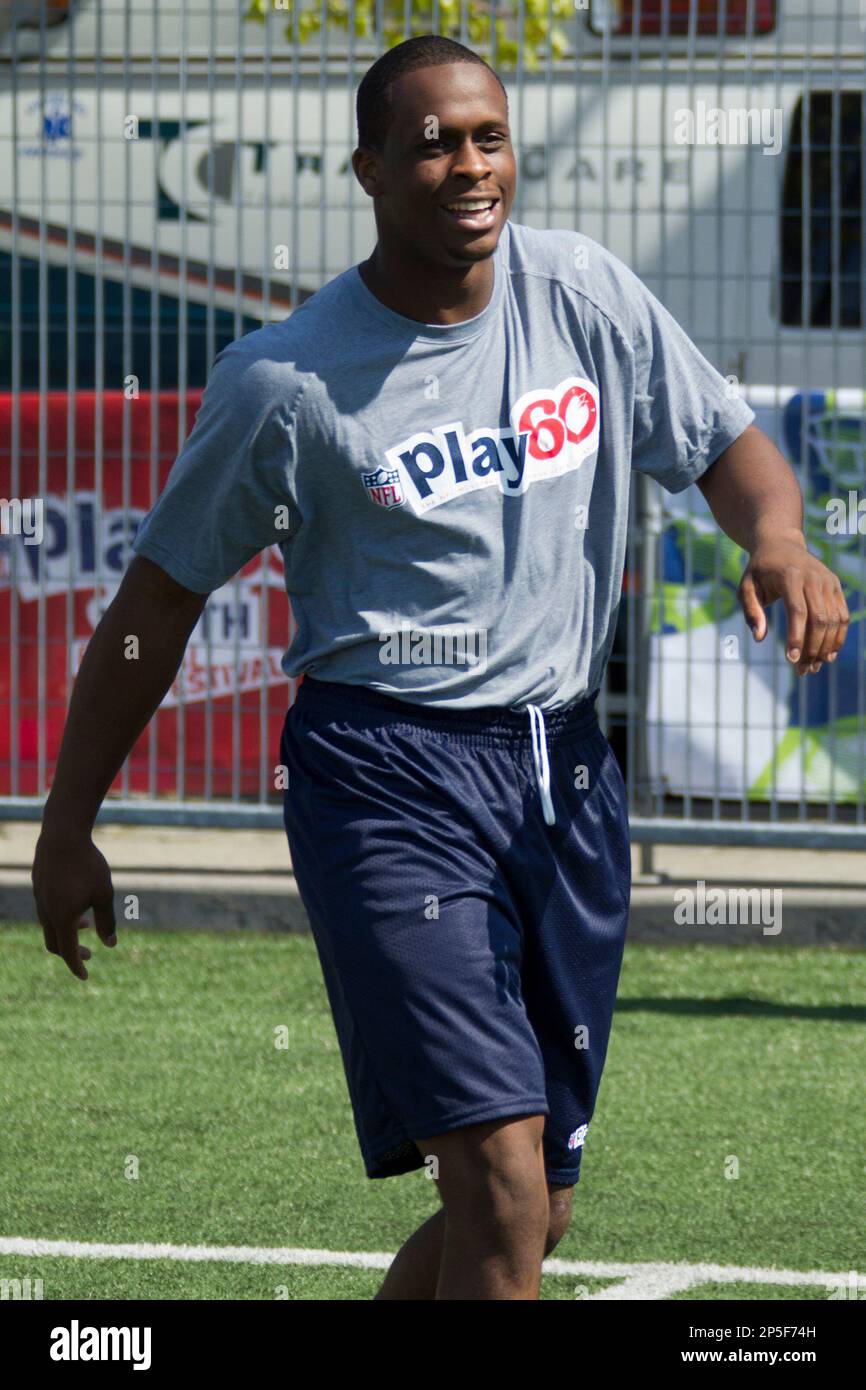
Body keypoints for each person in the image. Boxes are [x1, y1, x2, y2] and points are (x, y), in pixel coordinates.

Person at [31, 34, 849, 1301]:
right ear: (364, 168)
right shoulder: (283, 384)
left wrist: (780, 539)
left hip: (565, 774)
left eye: (487, 136)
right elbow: (153, 609)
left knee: (537, 1212)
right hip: (386, 778)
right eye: (430, 143)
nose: (468, 166)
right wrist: (66, 826)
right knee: (498, 1184)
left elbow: (727, 444)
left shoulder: (583, 293)